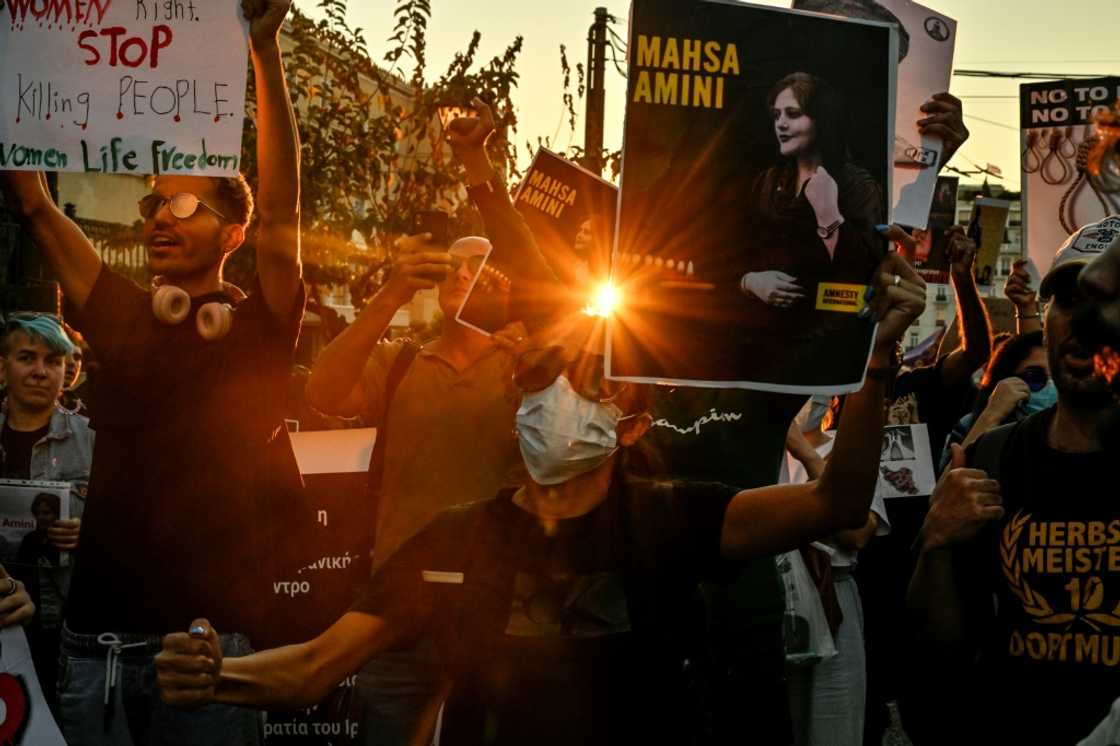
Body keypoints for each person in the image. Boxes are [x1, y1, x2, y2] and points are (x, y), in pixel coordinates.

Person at [155, 247, 926, 746]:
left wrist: (879, 357)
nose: (553, 398)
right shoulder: (457, 539)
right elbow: (317, 665)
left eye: (584, 382)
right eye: (536, 379)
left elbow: (836, 502)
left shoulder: (673, 514)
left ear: (628, 423)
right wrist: (217, 675)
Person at [0, 1, 304, 742]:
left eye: (188, 203)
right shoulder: (126, 313)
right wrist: (19, 81)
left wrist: (265, 54)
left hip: (204, 659)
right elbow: (35, 205)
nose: (160, 217)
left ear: (234, 231)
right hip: (93, 654)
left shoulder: (259, 327)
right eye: (154, 203)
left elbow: (287, 210)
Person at [304, 99, 554, 746]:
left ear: (506, 287)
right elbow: (326, 391)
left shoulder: (527, 370)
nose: (462, 271)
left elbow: (553, 291)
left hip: (501, 617)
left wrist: (477, 163)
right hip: (399, 617)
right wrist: (389, 295)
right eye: (454, 261)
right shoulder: (400, 362)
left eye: (481, 265)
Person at [908, 219, 1120, 743]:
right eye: (1068, 302)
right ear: (1045, 322)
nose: (1085, 321)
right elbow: (936, 655)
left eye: (1106, 302)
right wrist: (936, 542)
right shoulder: (994, 457)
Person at [861, 222, 991, 744]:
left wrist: (961, 279)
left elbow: (977, 350)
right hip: (860, 561)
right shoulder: (836, 396)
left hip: (916, 555)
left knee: (920, 684)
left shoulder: (921, 385)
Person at [785, 397, 890, 746]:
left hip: (834, 603)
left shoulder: (849, 448)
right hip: (775, 600)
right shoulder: (753, 448)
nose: (810, 399)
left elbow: (857, 533)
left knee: (834, 721)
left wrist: (807, 455)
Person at [0, 312, 91, 704]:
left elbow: (130, 532)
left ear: (67, 372)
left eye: (52, 361)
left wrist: (90, 532)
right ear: (2, 367)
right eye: (27, 358)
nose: (40, 371)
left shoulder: (93, 441)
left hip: (65, 633)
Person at [937, 331, 1051, 470]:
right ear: (1007, 378)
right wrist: (991, 416)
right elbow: (947, 483)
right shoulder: (971, 423)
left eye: (1055, 375)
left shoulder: (1079, 429)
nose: (1050, 386)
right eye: (1034, 376)